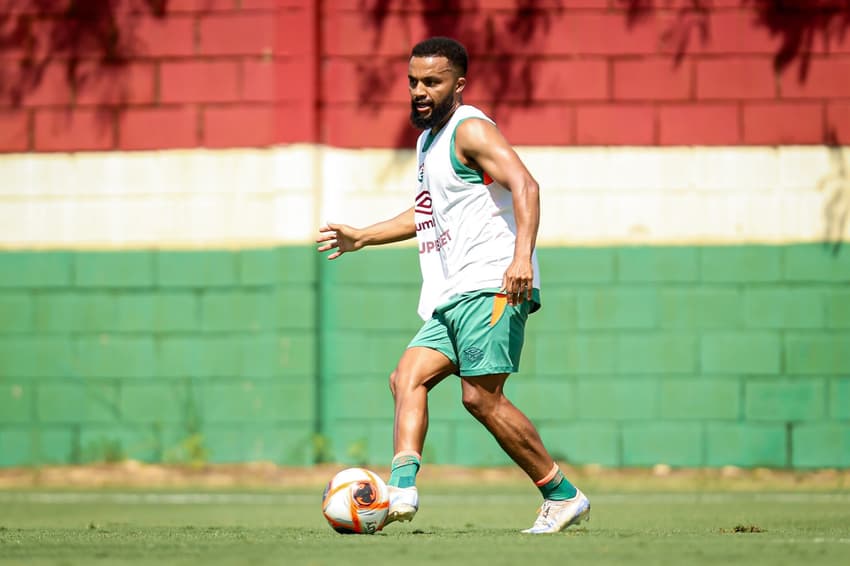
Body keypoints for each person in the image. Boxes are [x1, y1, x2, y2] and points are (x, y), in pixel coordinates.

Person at [316, 36, 589, 534]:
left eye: (432, 82)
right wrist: (363, 237)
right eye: (413, 81)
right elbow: (425, 213)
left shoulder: (471, 129)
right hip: (453, 292)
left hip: (493, 281)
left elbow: (526, 185)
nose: (419, 91)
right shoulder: (427, 142)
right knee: (407, 377)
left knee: (480, 398)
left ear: (458, 85)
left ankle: (562, 495)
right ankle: (402, 489)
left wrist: (521, 257)